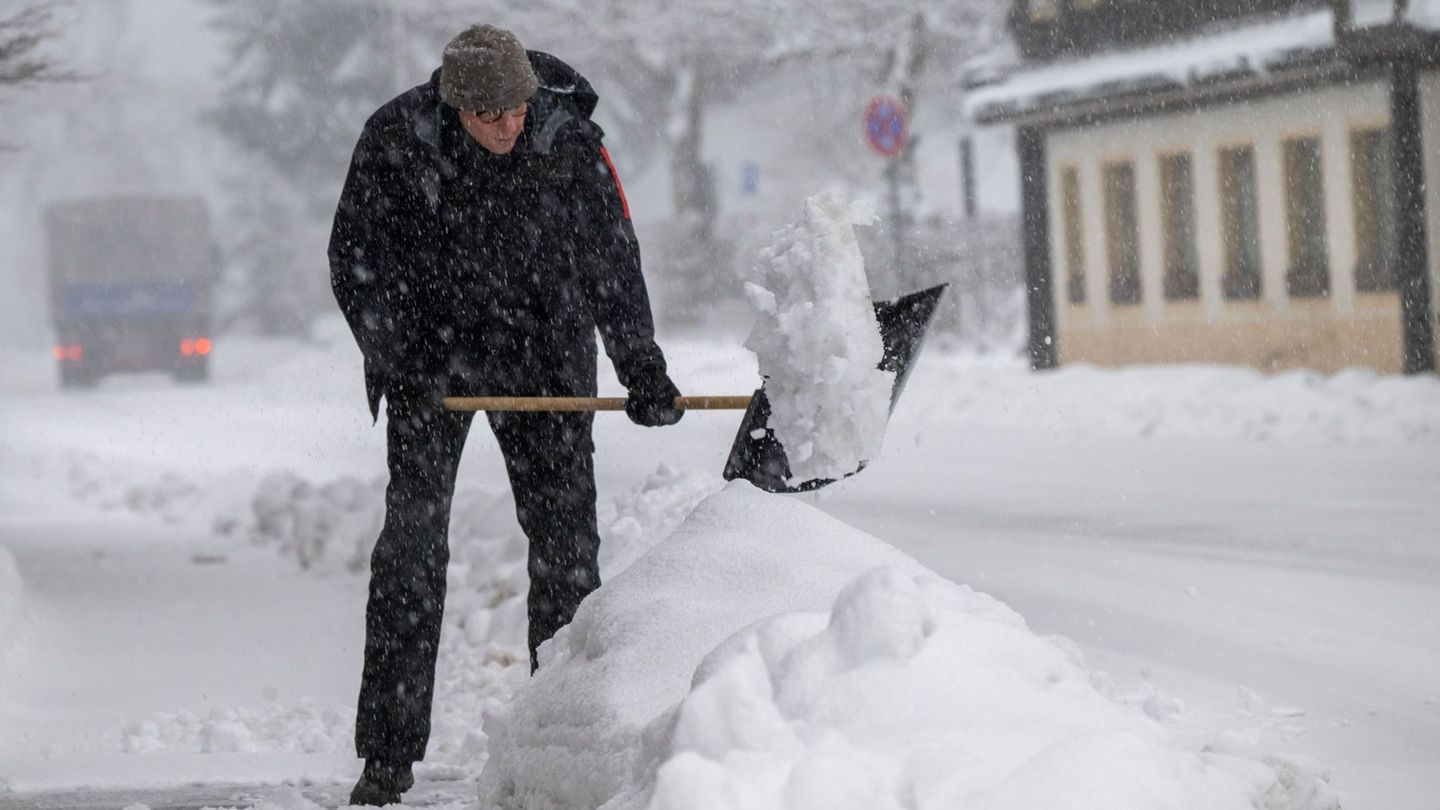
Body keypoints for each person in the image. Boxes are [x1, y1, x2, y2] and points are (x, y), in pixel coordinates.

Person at [328, 24, 684, 806]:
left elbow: (611, 257)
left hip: (545, 353)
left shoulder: (568, 139)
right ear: (455, 106)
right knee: (413, 550)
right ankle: (386, 757)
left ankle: (555, 743)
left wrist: (643, 368)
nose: (508, 124)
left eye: (517, 108)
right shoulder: (395, 139)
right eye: (490, 115)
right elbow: (356, 260)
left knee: (566, 550)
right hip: (434, 363)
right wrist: (402, 354)